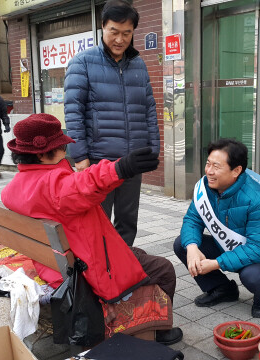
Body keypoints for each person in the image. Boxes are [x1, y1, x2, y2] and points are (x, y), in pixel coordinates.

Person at [1, 114, 182, 345]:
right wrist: (121, 168)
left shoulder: (15, 188)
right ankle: (159, 330)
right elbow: (85, 184)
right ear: (41, 153)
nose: (65, 149)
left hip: (55, 265)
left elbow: (76, 185)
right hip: (88, 269)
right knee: (164, 269)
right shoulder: (54, 186)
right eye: (60, 146)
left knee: (139, 254)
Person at [64, 0, 159, 246]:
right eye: (114, 31)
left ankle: (122, 268)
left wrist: (152, 149)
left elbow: (148, 107)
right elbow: (73, 111)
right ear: (103, 27)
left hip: (131, 159)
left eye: (127, 33)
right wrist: (79, 155)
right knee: (98, 220)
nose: (120, 39)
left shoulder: (138, 64)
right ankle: (98, 273)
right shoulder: (82, 62)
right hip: (98, 161)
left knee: (128, 221)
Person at [173, 139, 260, 318]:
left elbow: (258, 248)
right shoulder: (205, 186)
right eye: (208, 164)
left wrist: (215, 264)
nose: (209, 171)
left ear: (236, 170)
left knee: (251, 275)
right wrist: (192, 247)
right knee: (182, 243)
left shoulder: (258, 200)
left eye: (216, 167)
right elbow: (192, 219)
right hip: (228, 245)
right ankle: (222, 289)